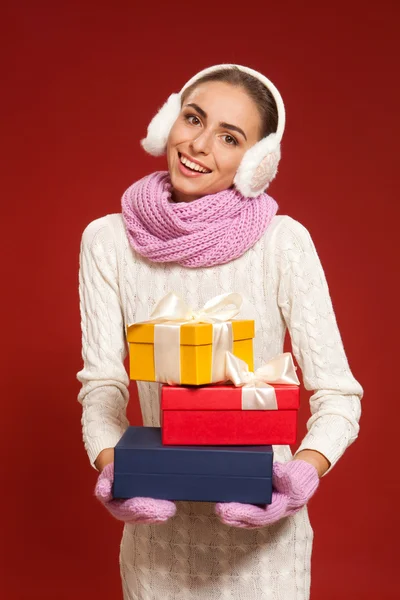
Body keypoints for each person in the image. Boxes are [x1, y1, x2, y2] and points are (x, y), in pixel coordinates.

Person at [77, 64, 363, 600]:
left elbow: (339, 396)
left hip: (263, 543)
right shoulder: (107, 241)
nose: (199, 145)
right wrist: (114, 467)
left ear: (257, 162)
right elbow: (103, 387)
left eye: (229, 137)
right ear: (169, 121)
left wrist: (299, 475)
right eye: (193, 119)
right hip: (157, 542)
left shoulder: (283, 243)